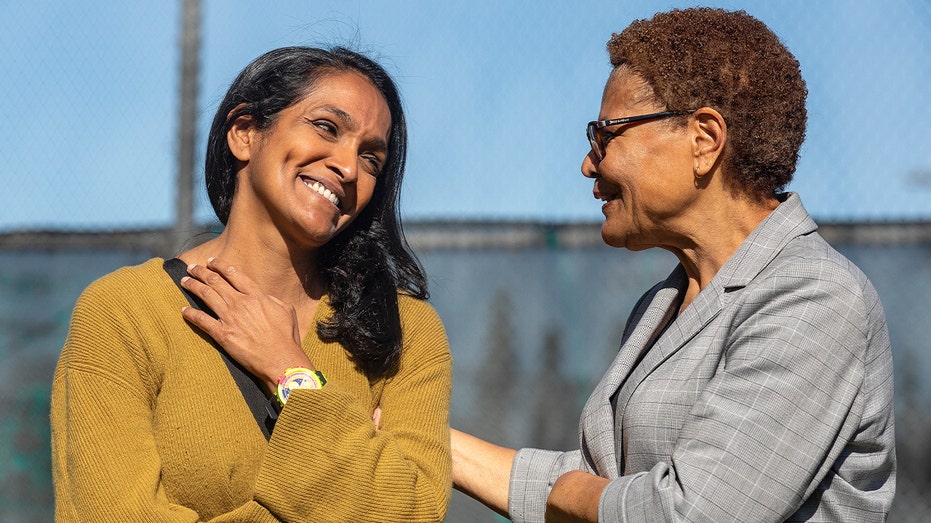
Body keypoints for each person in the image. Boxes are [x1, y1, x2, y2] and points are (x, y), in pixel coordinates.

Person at [451, 8, 895, 522]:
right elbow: (612, 482)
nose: (589, 164)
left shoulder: (814, 298)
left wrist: (570, 496)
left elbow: (690, 512)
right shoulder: (664, 303)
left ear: (703, 139)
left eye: (605, 135)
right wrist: (424, 441)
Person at [51, 46, 453, 522]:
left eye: (371, 159)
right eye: (327, 127)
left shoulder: (405, 331)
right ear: (244, 133)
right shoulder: (124, 310)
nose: (349, 168)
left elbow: (414, 511)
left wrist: (291, 372)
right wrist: (352, 473)